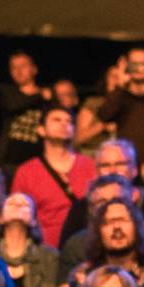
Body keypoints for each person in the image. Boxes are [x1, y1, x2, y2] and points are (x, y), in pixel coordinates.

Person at [10, 104, 97, 249]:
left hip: (86, 247)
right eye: (56, 120)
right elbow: (18, 215)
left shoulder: (91, 166)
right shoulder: (27, 171)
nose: (64, 124)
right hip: (46, 250)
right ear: (41, 130)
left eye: (69, 121)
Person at [57, 139, 144, 246]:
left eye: (120, 164)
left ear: (134, 170)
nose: (113, 170)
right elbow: (67, 248)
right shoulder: (82, 207)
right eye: (105, 165)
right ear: (96, 172)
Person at [0, 50, 50, 170]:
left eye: (23, 66)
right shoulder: (8, 92)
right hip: (9, 160)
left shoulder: (48, 97)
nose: (18, 71)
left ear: (34, 69)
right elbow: (13, 105)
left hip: (37, 158)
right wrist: (39, 96)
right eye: (14, 67)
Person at [75, 64, 122, 157]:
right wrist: (103, 126)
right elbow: (78, 138)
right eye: (113, 76)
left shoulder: (131, 105)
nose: (116, 80)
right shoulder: (94, 103)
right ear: (106, 79)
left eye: (119, 77)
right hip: (94, 153)